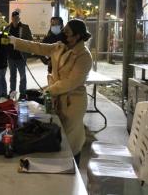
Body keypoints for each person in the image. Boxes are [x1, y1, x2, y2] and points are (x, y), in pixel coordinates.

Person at [8, 19, 92, 166]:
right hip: (57, 97)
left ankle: (73, 172)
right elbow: (38, 47)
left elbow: (71, 82)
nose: (62, 34)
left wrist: (47, 91)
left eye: (67, 32)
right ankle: (58, 171)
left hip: (73, 103)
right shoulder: (59, 47)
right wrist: (15, 41)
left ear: (77, 36)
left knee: (71, 141)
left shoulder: (84, 56)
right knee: (56, 136)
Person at [4, 10, 33, 99]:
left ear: (19, 18)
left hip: (21, 57)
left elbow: (30, 40)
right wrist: (8, 42)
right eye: (13, 18)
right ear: (11, 18)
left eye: (17, 17)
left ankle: (23, 93)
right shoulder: (7, 28)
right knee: (12, 76)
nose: (15, 19)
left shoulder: (25, 27)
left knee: (22, 76)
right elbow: (3, 40)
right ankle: (12, 93)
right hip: (11, 57)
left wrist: (25, 51)